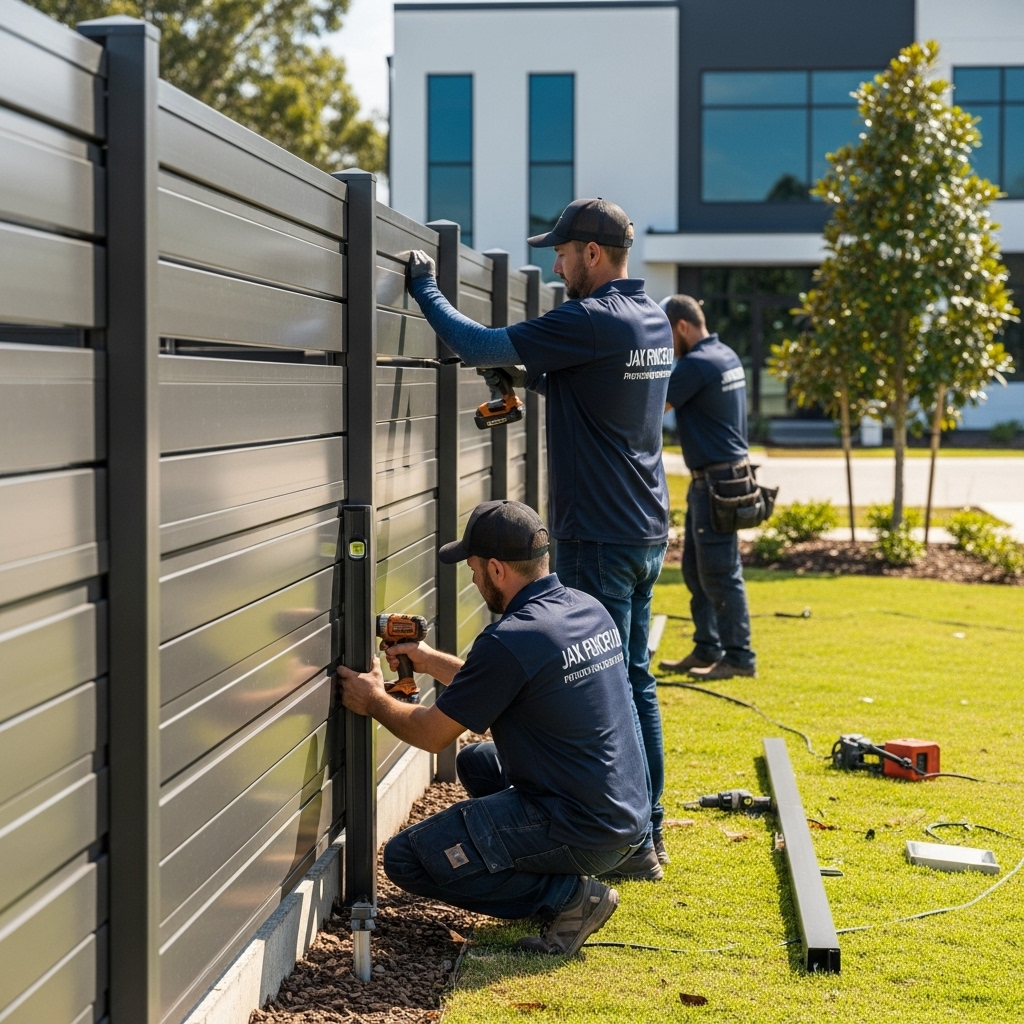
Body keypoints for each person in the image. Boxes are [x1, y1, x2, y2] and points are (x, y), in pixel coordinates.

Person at [400, 198, 671, 877]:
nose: (555, 263)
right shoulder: (651, 319)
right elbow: (589, 388)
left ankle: (625, 842)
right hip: (645, 526)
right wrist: (526, 379)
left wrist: (424, 286)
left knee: (599, 686)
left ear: (591, 254)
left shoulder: (591, 317)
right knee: (632, 678)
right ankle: (647, 831)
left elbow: (480, 345)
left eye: (561, 251)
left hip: (599, 533)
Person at [337, 500, 650, 955]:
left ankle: (570, 898)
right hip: (622, 814)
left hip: (584, 824)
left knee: (407, 859)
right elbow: (511, 681)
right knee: (479, 761)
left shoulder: (511, 638)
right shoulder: (583, 609)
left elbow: (430, 734)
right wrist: (426, 660)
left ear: (497, 570)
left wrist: (373, 700)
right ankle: (543, 871)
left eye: (473, 566)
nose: (470, 576)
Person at [658, 295, 757, 680]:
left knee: (720, 572)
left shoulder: (696, 365)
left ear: (682, 326)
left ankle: (738, 657)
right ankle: (706, 648)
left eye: (666, 334)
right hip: (726, 478)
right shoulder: (725, 355)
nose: (665, 344)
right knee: (697, 569)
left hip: (716, 482)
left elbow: (650, 406)